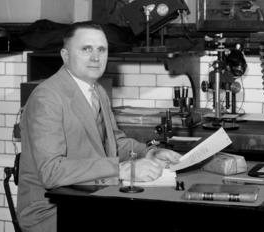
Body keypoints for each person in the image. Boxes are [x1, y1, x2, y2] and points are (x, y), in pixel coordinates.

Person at [16, 22, 181, 232]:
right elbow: (51, 172)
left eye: (101, 50)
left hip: (90, 197)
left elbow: (114, 142)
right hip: (51, 210)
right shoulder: (47, 97)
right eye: (86, 49)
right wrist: (122, 170)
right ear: (65, 56)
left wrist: (149, 152)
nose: (95, 57)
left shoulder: (97, 91)